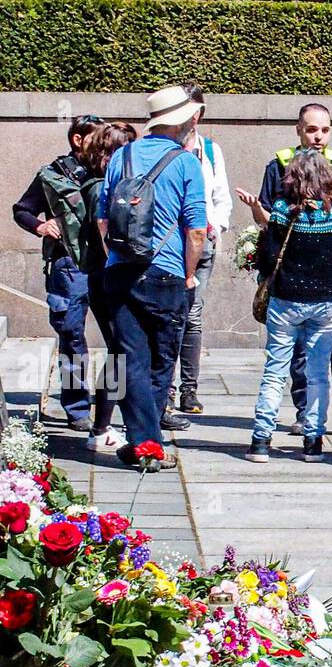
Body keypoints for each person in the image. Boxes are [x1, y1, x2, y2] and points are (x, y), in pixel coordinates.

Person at [237, 102, 332, 437]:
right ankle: (304, 412)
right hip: (293, 274)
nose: (318, 137)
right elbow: (270, 222)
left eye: (324, 130)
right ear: (298, 129)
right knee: (296, 351)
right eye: (311, 129)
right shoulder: (281, 165)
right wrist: (256, 210)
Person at [97, 85, 208, 471]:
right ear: (189, 120)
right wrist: (189, 273)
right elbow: (197, 230)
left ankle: (142, 441)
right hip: (166, 273)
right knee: (162, 360)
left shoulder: (121, 157)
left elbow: (103, 219)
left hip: (120, 271)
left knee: (129, 361)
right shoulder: (186, 162)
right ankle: (148, 444)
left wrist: (120, 253)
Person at [245, 152, 332, 465]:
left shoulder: (280, 211)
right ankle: (313, 441)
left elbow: (267, 259)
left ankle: (261, 440)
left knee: (275, 371)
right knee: (318, 373)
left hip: (286, 301)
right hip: (327, 302)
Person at [12, 112, 104, 431]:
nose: (103, 144)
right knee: (72, 335)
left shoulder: (110, 170)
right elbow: (21, 210)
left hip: (109, 265)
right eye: (96, 138)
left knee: (123, 336)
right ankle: (77, 407)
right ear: (77, 140)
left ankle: (124, 402)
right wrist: (41, 225)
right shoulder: (53, 175)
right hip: (69, 266)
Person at [166, 81, 232, 417]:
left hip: (200, 243)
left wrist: (216, 227)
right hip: (168, 246)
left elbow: (221, 196)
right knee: (171, 317)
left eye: (194, 112)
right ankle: (166, 389)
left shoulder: (209, 150)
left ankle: (188, 390)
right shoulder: (160, 146)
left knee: (192, 315)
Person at [79, 120, 139, 452]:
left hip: (100, 278)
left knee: (120, 352)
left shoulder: (97, 184)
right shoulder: (105, 189)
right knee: (120, 353)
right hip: (109, 279)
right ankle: (101, 427)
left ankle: (102, 426)